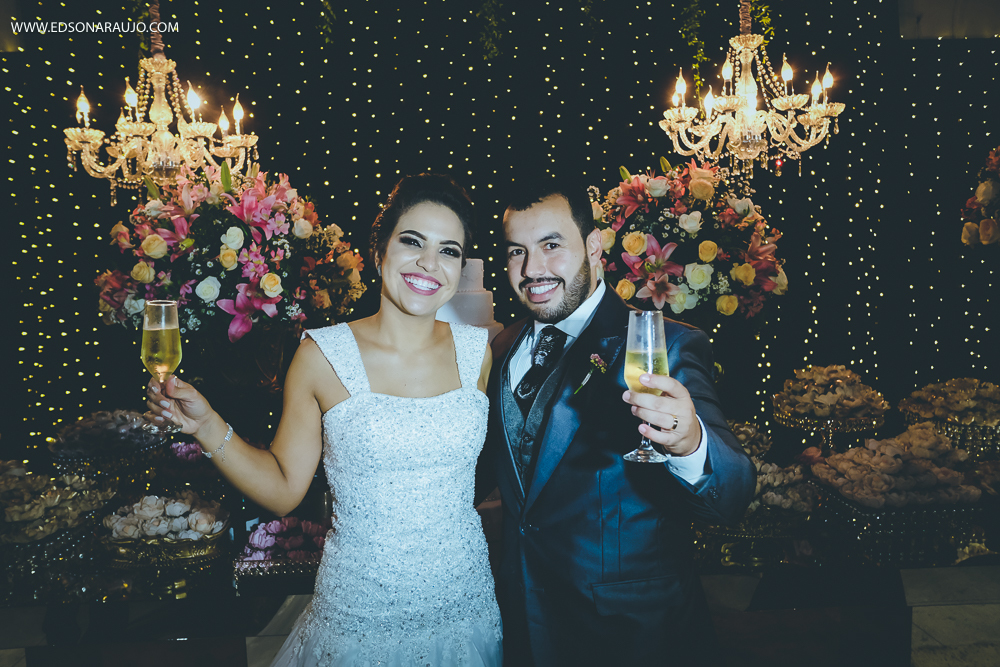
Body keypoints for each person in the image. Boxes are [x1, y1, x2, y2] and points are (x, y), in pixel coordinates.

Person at [146, 173, 502, 666]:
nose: (429, 263)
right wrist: (207, 426)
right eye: (412, 242)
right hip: (359, 616)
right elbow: (287, 487)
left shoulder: (478, 351)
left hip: (464, 608)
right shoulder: (321, 355)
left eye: (449, 250)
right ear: (379, 251)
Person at [475, 181, 756, 666]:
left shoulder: (666, 344)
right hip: (523, 625)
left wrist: (690, 444)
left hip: (633, 637)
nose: (531, 270)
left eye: (551, 246)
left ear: (593, 247)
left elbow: (732, 493)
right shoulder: (500, 347)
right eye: (516, 251)